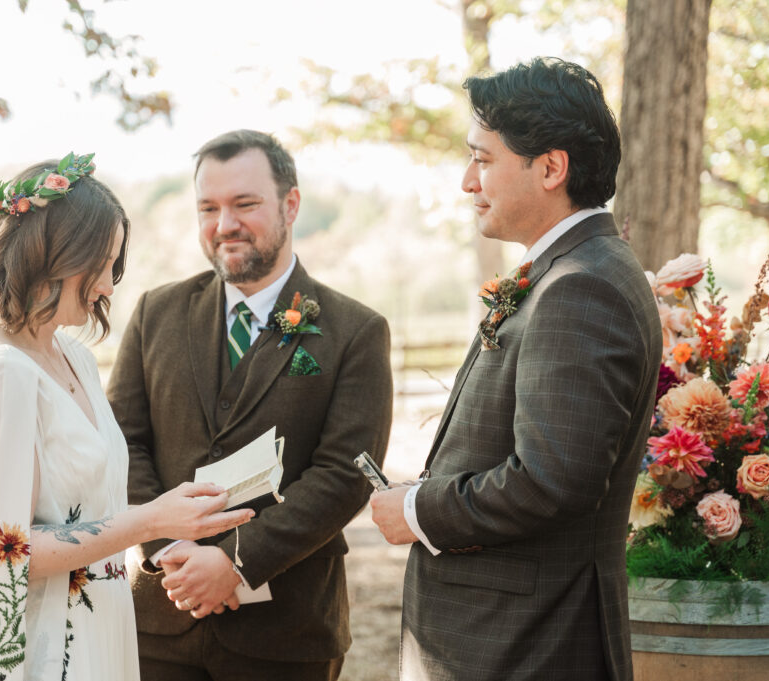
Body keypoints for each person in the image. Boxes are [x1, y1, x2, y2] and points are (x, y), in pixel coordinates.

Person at [369, 58, 662, 680]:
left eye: (483, 158)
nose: (466, 180)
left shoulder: (581, 288)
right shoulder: (572, 271)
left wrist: (419, 509)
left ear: (551, 168)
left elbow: (551, 481)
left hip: (526, 646)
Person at [0, 154, 254, 681]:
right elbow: (6, 553)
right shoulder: (1, 370)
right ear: (52, 255)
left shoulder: (71, 355)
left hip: (96, 625)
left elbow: (88, 504)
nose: (107, 285)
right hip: (39, 644)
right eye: (99, 264)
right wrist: (152, 520)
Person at [107, 130, 393, 680]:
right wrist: (174, 551)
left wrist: (236, 562)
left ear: (290, 204)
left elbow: (343, 476)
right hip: (159, 619)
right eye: (208, 208)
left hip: (288, 634)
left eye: (245, 204)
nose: (224, 225)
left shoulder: (355, 330)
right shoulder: (155, 312)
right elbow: (123, 442)